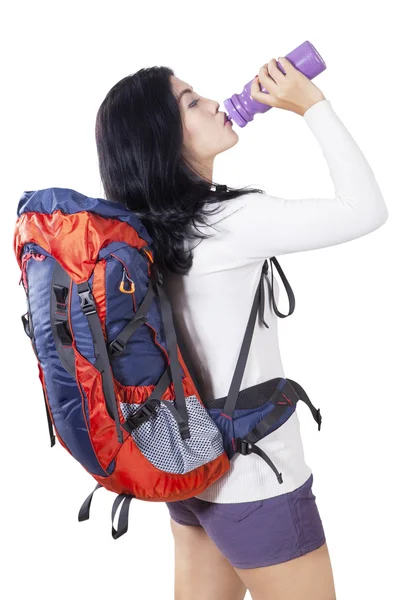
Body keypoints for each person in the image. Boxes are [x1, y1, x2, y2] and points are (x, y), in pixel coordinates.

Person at [95, 57, 388, 600]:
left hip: (187, 460)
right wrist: (312, 107)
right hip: (256, 478)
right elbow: (365, 210)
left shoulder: (139, 229)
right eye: (190, 101)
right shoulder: (228, 221)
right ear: (162, 137)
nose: (212, 103)